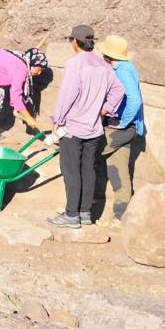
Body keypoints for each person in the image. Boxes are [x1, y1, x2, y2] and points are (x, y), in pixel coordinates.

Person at [47, 25, 125, 229]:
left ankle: (71, 215)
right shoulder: (103, 65)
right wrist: (106, 109)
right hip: (94, 129)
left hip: (73, 128)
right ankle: (85, 213)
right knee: (88, 169)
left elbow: (67, 94)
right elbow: (119, 89)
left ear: (74, 41)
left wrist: (57, 120)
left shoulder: (75, 64)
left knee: (71, 170)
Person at [96, 34, 145, 221]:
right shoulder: (125, 66)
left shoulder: (122, 71)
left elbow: (135, 99)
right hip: (128, 128)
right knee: (118, 168)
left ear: (108, 55)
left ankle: (83, 205)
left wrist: (122, 122)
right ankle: (121, 214)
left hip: (120, 128)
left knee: (88, 155)